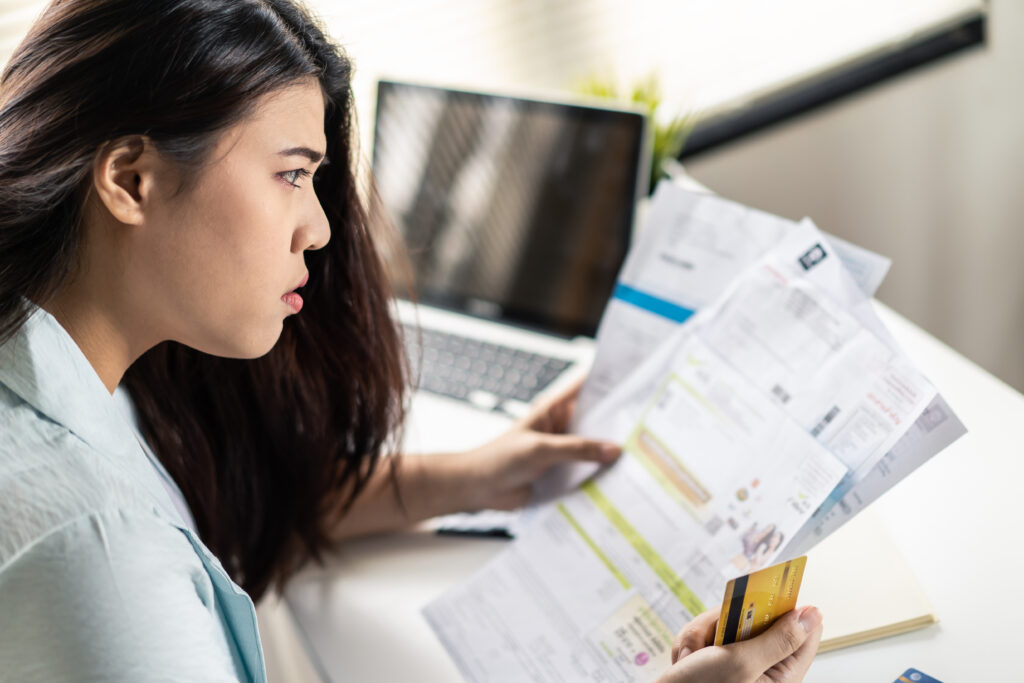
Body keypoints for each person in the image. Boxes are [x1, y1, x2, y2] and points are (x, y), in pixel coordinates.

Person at [0, 1, 822, 680]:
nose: (319, 228)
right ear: (130, 181)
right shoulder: (99, 558)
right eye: (291, 173)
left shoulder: (56, 373)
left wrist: (474, 477)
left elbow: (230, 512)